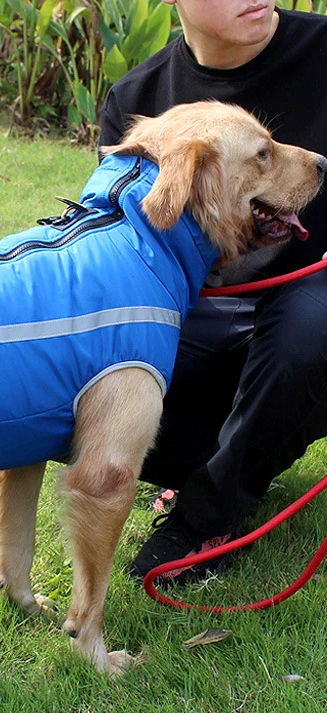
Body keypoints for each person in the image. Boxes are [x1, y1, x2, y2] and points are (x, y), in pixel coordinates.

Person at [98, 0, 327, 584]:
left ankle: (204, 520)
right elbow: (116, 249)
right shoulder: (135, 100)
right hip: (195, 311)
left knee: (308, 329)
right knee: (104, 361)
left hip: (308, 306)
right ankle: (229, 453)